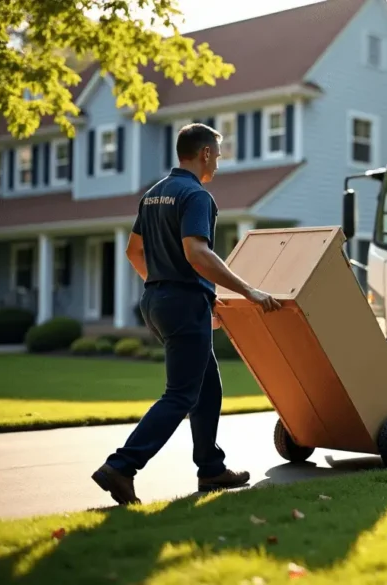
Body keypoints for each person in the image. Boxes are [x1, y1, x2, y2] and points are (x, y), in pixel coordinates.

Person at [91, 123, 282, 505]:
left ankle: (211, 468)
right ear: (206, 153)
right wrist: (247, 290)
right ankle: (121, 466)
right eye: (218, 153)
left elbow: (133, 252)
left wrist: (165, 285)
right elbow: (197, 253)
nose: (220, 160)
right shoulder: (196, 195)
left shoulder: (153, 194)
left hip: (157, 301)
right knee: (180, 395)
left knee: (207, 386)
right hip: (180, 303)